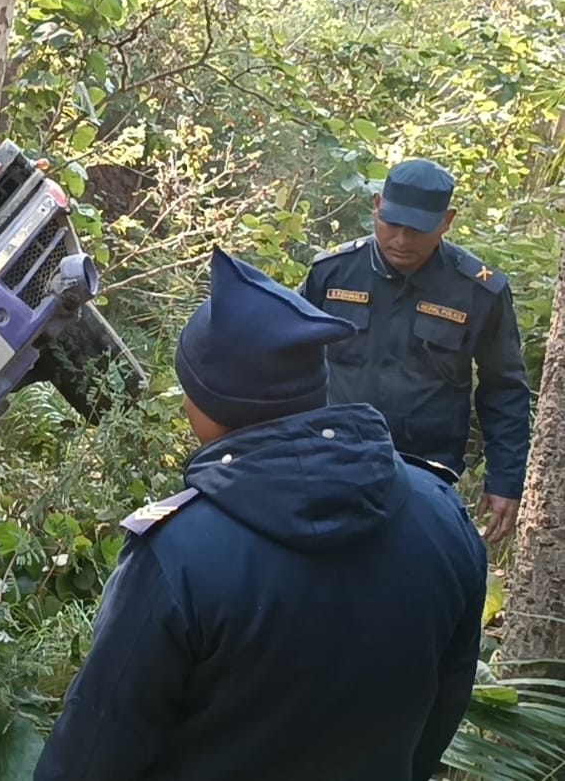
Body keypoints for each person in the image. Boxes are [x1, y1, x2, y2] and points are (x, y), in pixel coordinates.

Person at [34, 248, 487, 781]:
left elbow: (93, 755)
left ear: (203, 405)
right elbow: (442, 710)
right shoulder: (442, 515)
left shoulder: (177, 556)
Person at [301, 158, 532, 543]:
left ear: (447, 220)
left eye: (417, 229)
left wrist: (506, 479)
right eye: (391, 224)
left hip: (426, 472)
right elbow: (292, 359)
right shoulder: (333, 273)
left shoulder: (478, 290)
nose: (401, 240)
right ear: (376, 207)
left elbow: (503, 388)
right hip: (330, 460)